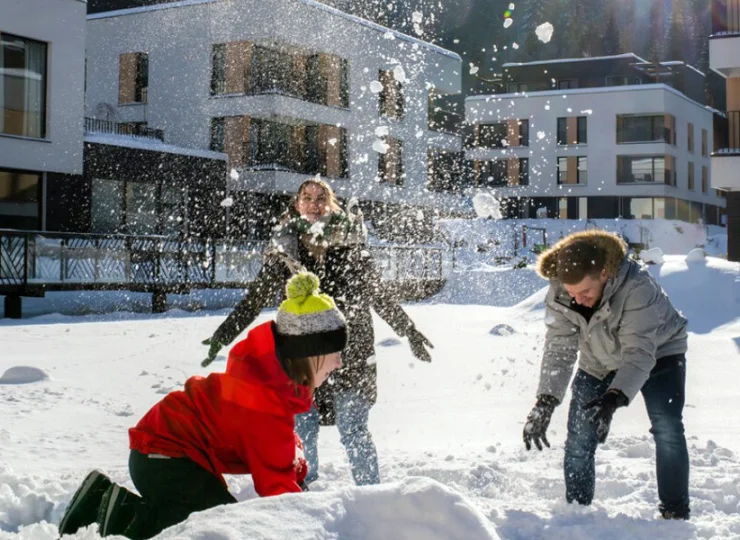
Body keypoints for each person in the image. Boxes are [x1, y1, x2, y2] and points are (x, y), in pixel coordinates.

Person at [58, 272, 348, 539]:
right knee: (216, 528)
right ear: (309, 355)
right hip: (165, 457)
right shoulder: (263, 406)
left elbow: (278, 448)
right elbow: (277, 489)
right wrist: (310, 525)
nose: (339, 362)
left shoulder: (268, 386)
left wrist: (293, 469)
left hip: (162, 453)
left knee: (215, 521)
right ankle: (116, 517)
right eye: (334, 353)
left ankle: (100, 498)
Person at [202, 177, 433, 487]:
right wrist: (224, 333)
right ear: (297, 205)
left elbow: (378, 294)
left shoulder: (352, 246)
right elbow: (255, 298)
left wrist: (409, 331)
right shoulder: (285, 251)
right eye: (307, 197)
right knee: (303, 429)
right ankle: (305, 500)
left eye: (321, 197)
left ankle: (373, 496)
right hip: (304, 358)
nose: (314, 203)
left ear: (332, 204)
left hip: (351, 353)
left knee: (353, 430)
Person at [522, 230, 690, 520]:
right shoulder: (563, 290)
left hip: (660, 352)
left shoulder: (637, 287)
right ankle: (578, 511)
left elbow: (639, 352)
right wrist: (546, 400)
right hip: (597, 360)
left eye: (585, 293)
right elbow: (560, 347)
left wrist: (614, 397)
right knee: (578, 437)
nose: (579, 300)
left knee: (668, 429)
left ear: (604, 273)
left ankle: (675, 511)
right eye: (573, 294)